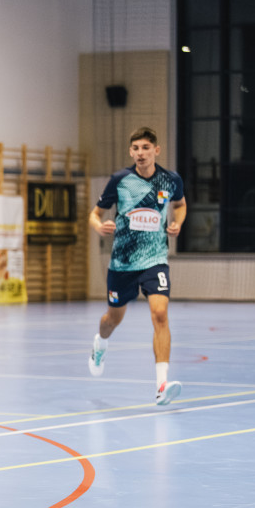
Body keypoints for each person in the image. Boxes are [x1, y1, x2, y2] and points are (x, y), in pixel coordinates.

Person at [88, 126, 186, 405]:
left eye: (146, 147)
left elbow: (180, 205)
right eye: (136, 148)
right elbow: (94, 214)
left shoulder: (170, 180)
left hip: (155, 260)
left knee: (160, 314)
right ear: (131, 152)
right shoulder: (120, 180)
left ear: (156, 150)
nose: (141, 153)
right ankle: (100, 343)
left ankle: (162, 385)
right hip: (122, 263)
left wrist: (177, 221)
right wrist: (99, 226)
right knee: (112, 320)